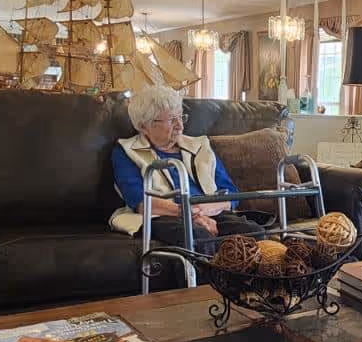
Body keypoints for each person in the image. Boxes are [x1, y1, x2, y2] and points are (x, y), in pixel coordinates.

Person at [109, 85, 262, 251]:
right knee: (197, 237)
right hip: (162, 215)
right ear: (144, 126)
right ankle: (207, 277)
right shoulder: (126, 151)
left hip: (209, 210)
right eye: (171, 120)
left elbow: (231, 193)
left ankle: (239, 277)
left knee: (254, 233)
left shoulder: (200, 146)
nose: (180, 126)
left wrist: (202, 211)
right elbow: (140, 201)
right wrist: (190, 214)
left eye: (181, 117)